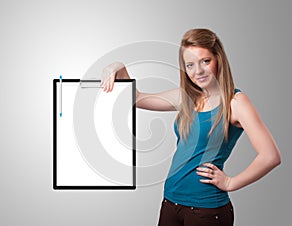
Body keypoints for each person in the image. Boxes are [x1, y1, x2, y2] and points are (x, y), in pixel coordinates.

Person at [100, 28, 281, 226]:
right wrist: (117, 67)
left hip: (207, 211)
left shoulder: (235, 102)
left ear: (218, 58)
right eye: (190, 65)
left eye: (205, 61)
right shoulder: (186, 97)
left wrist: (231, 182)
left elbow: (270, 156)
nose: (198, 71)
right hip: (170, 203)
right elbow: (136, 98)